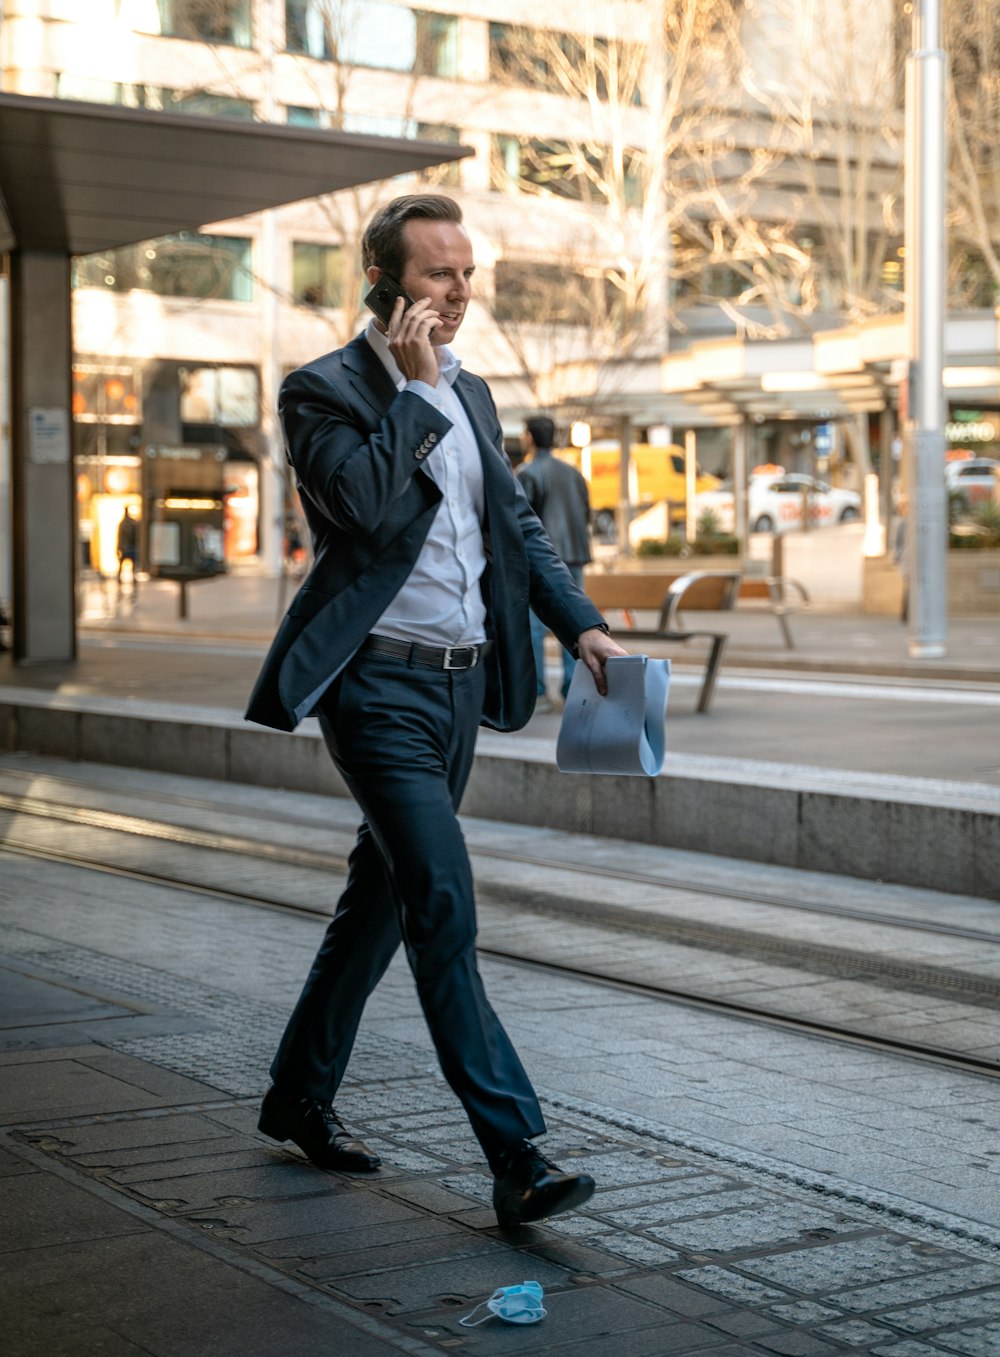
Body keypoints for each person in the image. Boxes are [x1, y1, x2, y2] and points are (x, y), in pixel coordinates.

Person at [245, 194, 627, 1229]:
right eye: (437, 276)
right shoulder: (319, 390)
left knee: (380, 900)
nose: (460, 294)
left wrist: (581, 627)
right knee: (442, 896)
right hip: (373, 686)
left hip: (460, 684)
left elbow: (512, 529)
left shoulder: (479, 393)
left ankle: (296, 1097)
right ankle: (515, 1154)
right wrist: (414, 397)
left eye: (467, 274)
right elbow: (360, 513)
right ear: (383, 283)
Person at [516, 416, 592, 711]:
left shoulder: (526, 473)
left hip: (543, 559)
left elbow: (522, 522)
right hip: (575, 554)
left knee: (534, 627)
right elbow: (587, 513)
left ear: (529, 438)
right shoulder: (574, 473)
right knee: (573, 622)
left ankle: (537, 690)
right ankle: (573, 687)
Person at [116, 505, 138, 594]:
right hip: (128, 547)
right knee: (125, 564)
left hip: (128, 547)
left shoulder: (125, 523)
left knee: (128, 564)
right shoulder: (130, 523)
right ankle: (122, 577)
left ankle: (126, 577)